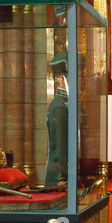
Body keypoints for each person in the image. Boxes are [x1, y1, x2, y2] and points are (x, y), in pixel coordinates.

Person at [44, 51, 69, 188]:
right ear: (61, 78)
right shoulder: (59, 107)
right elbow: (59, 148)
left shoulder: (65, 104)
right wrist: (65, 175)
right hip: (58, 178)